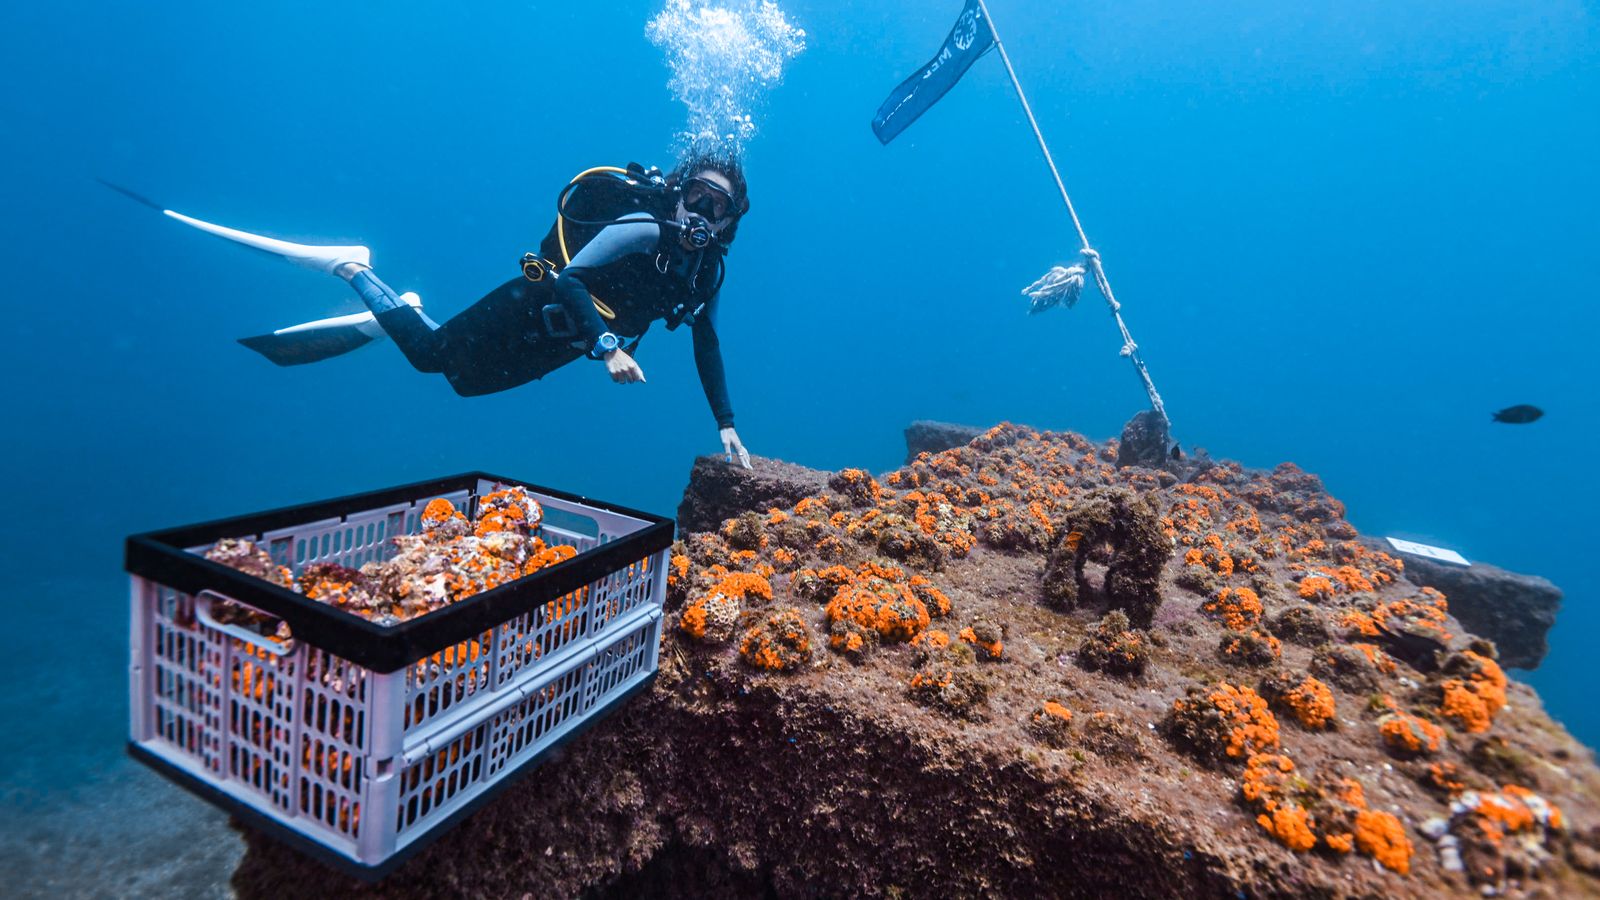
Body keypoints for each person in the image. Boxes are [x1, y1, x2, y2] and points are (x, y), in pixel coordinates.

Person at [106, 153, 754, 467]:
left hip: (567, 345)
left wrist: (725, 423)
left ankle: (394, 314)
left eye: (717, 206)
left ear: (730, 221)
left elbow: (710, 343)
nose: (702, 213)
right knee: (429, 359)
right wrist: (607, 348)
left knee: (465, 384)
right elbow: (575, 278)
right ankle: (352, 267)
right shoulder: (642, 226)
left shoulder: (704, 272)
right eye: (697, 195)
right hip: (537, 302)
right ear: (677, 194)